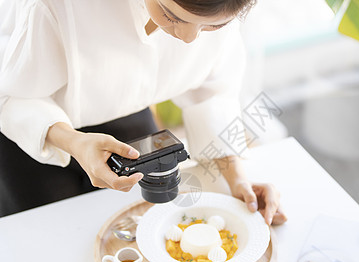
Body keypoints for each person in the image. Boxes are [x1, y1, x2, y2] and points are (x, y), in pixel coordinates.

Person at [0, 0, 287, 224]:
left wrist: (237, 178)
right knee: (49, 239)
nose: (188, 38)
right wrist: (73, 142)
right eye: (171, 15)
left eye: (212, 26)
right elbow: (13, 96)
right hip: (33, 129)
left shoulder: (219, 9)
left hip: (125, 110)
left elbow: (212, 93)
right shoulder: (57, 7)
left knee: (138, 224)